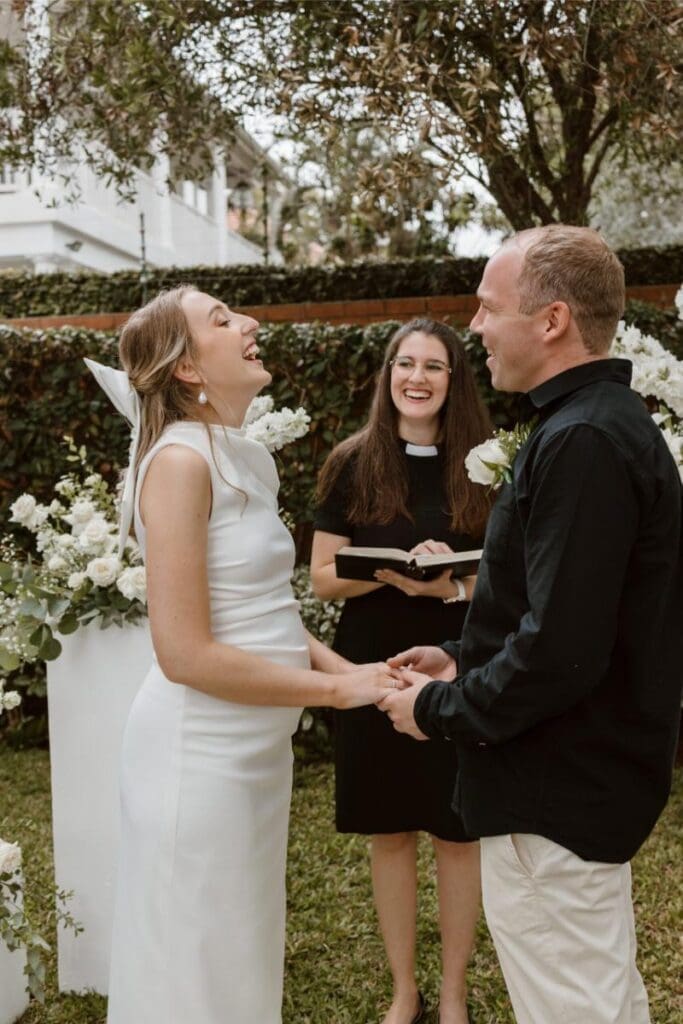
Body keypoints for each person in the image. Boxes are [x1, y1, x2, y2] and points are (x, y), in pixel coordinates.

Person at [382, 226, 683, 1024]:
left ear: (550, 320)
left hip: (554, 786)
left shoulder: (583, 438)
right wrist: (457, 657)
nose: (473, 327)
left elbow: (559, 650)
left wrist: (438, 709)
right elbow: (566, 611)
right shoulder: (588, 423)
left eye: (487, 307)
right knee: (598, 998)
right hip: (573, 776)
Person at [86, 286, 397, 1024]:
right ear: (187, 368)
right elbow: (185, 654)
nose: (250, 323)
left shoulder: (237, 456)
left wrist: (351, 673)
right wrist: (333, 696)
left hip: (257, 755)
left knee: (240, 953)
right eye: (221, 320)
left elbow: (266, 615)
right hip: (198, 759)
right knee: (194, 969)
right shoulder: (178, 465)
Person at [310, 319, 493, 1024]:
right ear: (387, 374)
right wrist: (388, 573)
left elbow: (513, 581)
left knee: (456, 833)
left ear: (454, 380)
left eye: (434, 366)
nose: (416, 378)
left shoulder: (485, 464)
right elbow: (323, 577)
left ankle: (451, 994)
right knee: (388, 833)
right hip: (371, 661)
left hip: (457, 660)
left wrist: (442, 588)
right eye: (404, 364)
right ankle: (403, 992)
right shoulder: (352, 461)